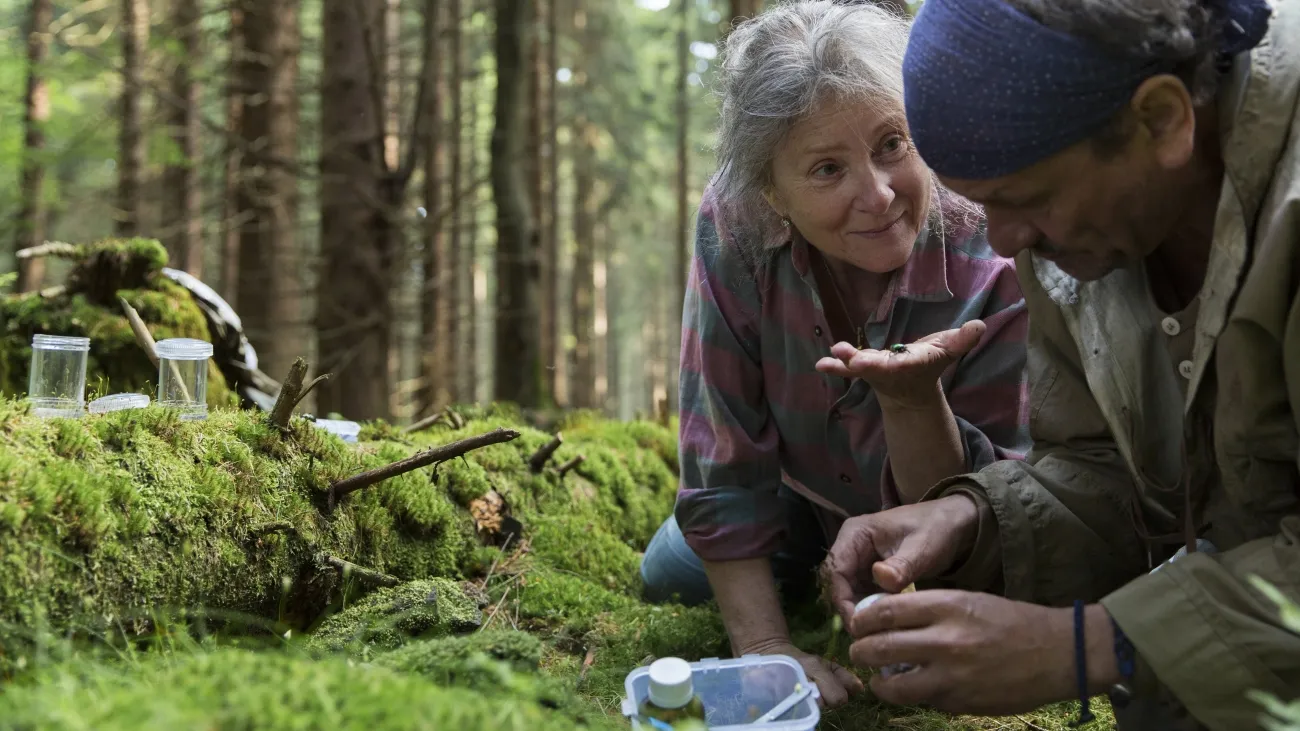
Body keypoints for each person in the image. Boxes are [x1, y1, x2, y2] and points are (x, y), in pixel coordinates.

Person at [822, 0, 1300, 728]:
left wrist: (1088, 646)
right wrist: (972, 517)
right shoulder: (1085, 232)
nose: (1009, 244)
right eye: (984, 207)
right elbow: (1109, 468)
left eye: (1026, 199)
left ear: (1161, 120)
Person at [637, 0, 1033, 709]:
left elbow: (997, 506)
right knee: (671, 573)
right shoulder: (734, 223)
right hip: (795, 495)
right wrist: (764, 650)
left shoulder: (990, 235)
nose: (877, 195)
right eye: (827, 168)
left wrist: (914, 400)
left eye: (892, 144)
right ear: (771, 193)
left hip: (946, 518)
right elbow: (723, 452)